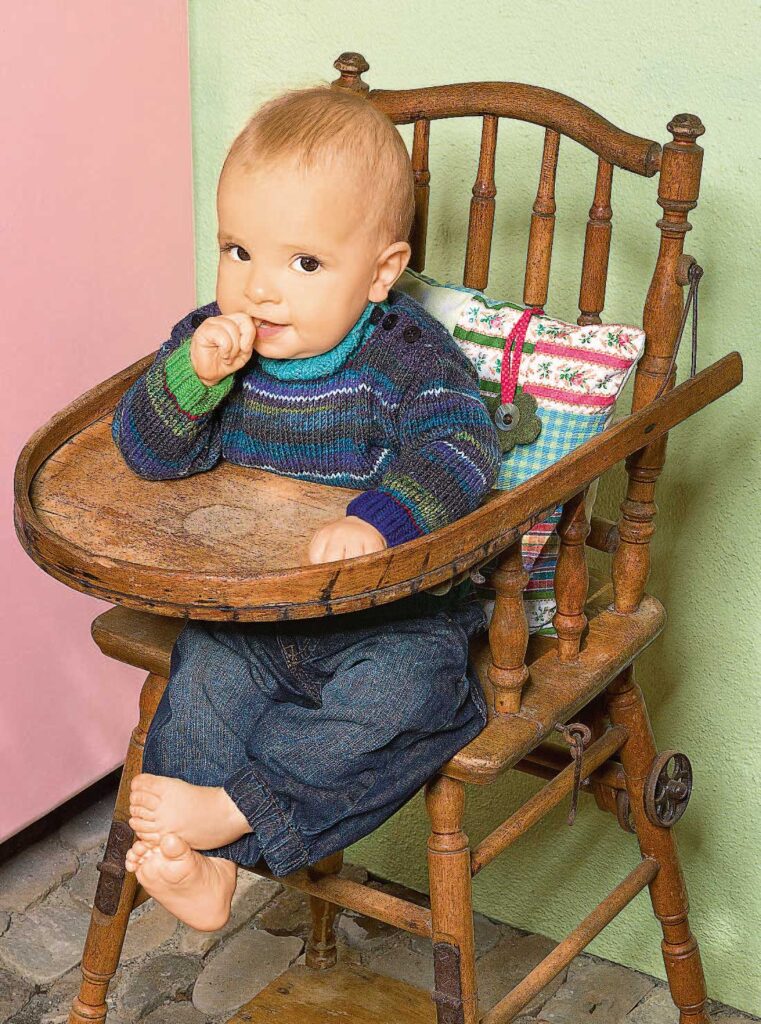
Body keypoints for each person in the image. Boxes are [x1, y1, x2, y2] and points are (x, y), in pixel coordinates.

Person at [115, 85, 500, 932]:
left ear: (381, 273)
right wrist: (192, 379)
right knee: (203, 679)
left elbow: (461, 447)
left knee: (413, 699)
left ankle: (233, 816)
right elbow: (144, 453)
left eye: (305, 264)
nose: (259, 290)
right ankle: (202, 867)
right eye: (237, 251)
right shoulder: (212, 341)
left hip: (391, 621)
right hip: (253, 613)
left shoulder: (406, 358)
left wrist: (377, 521)